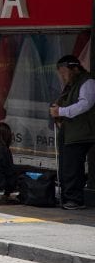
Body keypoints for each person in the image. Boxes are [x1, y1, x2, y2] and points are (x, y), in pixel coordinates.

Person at [49, 55, 95, 210]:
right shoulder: (71, 85)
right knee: (66, 166)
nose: (62, 76)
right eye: (60, 73)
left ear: (75, 69)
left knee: (73, 167)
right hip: (70, 131)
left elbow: (85, 104)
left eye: (64, 72)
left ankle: (74, 199)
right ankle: (66, 197)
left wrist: (61, 110)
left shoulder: (87, 82)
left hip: (81, 133)